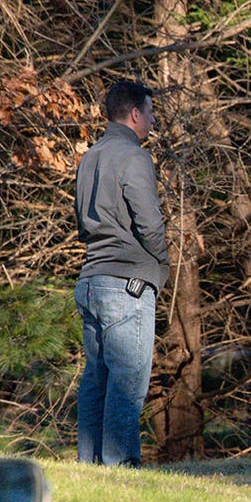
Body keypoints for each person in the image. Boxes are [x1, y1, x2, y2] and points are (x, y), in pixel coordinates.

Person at [73, 80, 170, 466]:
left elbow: (82, 221)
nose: (152, 119)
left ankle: (90, 466)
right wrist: (161, 264)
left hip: (91, 280)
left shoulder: (90, 156)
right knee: (128, 382)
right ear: (134, 114)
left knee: (96, 382)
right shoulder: (134, 156)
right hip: (126, 284)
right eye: (149, 111)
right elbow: (149, 222)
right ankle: (121, 467)